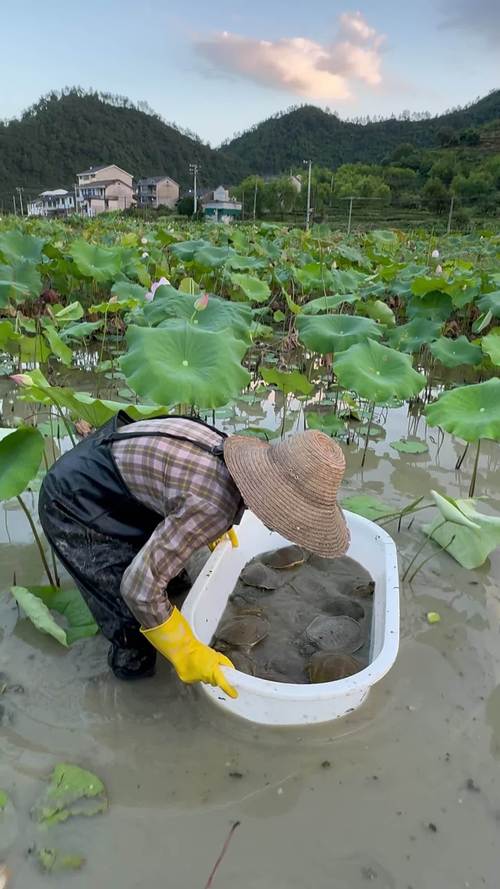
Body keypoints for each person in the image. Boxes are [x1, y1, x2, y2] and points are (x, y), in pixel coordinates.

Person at [38, 412, 349, 698]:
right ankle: (135, 698)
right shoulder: (211, 507)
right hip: (74, 500)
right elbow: (138, 589)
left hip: (121, 473)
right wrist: (188, 653)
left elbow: (183, 487)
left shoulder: (231, 449)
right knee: (132, 630)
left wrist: (209, 526)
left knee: (174, 582)